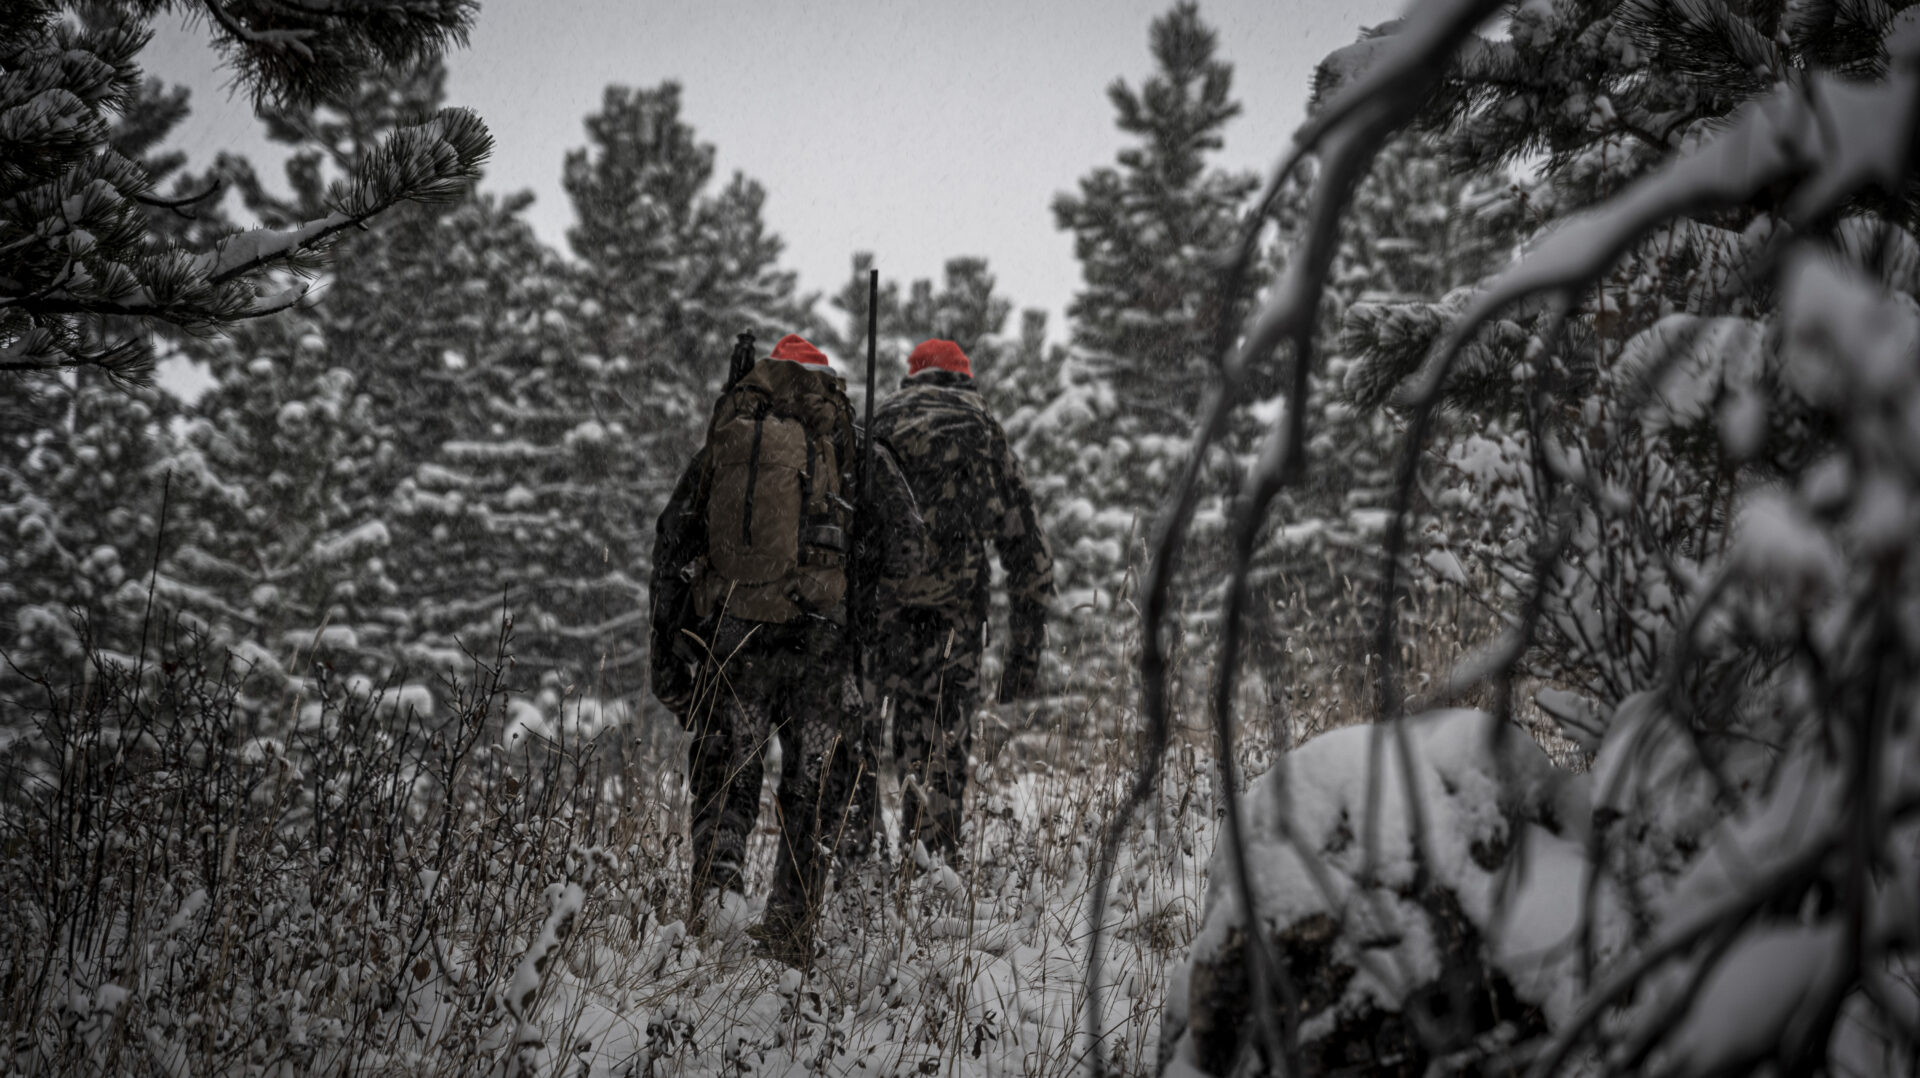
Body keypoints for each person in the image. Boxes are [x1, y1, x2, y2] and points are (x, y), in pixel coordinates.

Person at [648, 332, 923, 964]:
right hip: (820, 649)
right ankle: (790, 932)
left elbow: (672, 538)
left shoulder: (730, 435)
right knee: (812, 787)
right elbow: (909, 545)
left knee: (726, 780)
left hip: (733, 639)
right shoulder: (848, 442)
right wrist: (859, 592)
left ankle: (714, 912)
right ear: (827, 380)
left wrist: (668, 651)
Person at [870, 338, 1053, 862]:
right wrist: (1023, 658)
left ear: (914, 376)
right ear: (963, 377)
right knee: (941, 742)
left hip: (882, 611)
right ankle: (932, 865)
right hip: (955, 614)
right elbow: (1027, 549)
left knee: (860, 741)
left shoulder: (879, 423)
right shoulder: (980, 430)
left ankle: (850, 858)